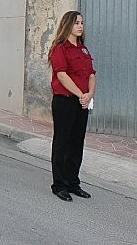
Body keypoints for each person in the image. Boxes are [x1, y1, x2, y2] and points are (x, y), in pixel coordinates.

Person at [48, 10, 96, 202]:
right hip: (65, 100)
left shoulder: (83, 49)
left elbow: (91, 74)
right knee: (63, 142)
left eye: (82, 23)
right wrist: (80, 94)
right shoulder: (60, 49)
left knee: (77, 143)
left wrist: (89, 94)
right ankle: (59, 185)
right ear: (67, 25)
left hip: (82, 101)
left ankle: (73, 182)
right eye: (76, 23)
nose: (80, 26)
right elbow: (62, 75)